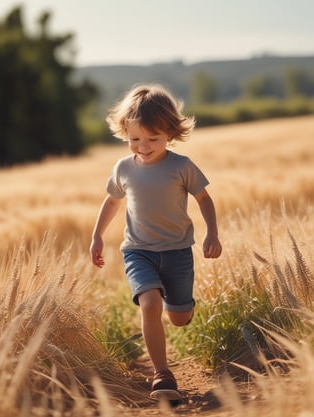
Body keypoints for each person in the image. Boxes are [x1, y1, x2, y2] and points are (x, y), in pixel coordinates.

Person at [90, 83, 222, 395]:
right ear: (125, 132)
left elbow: (204, 199)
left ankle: (178, 305)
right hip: (138, 251)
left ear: (170, 133)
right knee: (149, 302)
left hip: (177, 252)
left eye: (153, 138)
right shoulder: (123, 168)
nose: (143, 146)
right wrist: (96, 236)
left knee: (179, 318)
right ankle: (162, 374)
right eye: (134, 139)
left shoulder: (181, 166)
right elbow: (111, 202)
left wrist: (212, 233)